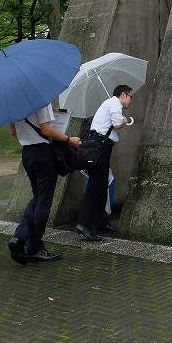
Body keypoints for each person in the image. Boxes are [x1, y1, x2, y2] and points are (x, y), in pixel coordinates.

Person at [8, 104, 81, 265]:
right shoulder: (41, 101)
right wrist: (69, 139)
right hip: (43, 154)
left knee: (38, 197)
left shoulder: (13, 103)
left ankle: (20, 237)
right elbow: (46, 130)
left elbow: (13, 132)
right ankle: (34, 247)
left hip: (27, 154)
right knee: (44, 200)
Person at [75, 85, 134, 242]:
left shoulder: (110, 103)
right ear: (123, 94)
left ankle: (99, 223)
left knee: (101, 187)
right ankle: (84, 225)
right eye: (130, 97)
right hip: (99, 148)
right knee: (96, 187)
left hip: (101, 147)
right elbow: (116, 124)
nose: (131, 100)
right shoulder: (114, 103)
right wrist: (125, 119)